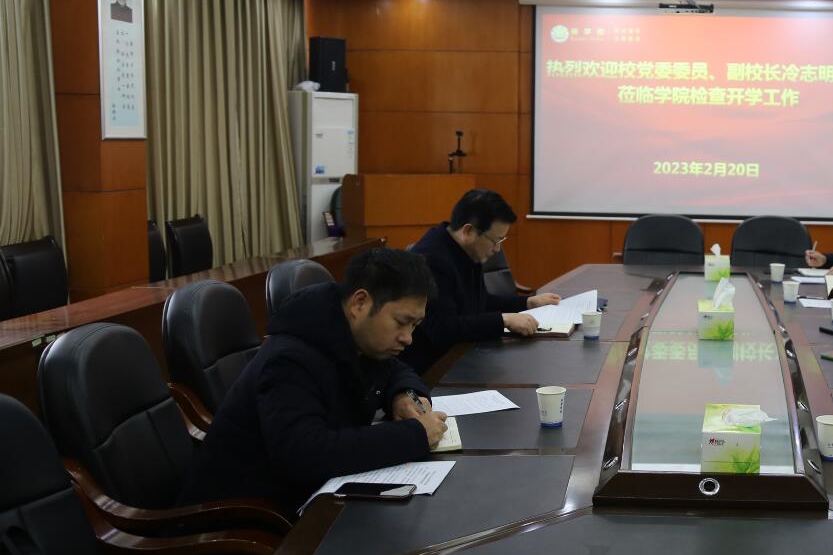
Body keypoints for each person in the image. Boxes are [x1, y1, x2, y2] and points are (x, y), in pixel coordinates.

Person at [181, 247, 449, 512]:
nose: (408, 338)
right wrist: (415, 435)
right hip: (239, 518)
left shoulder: (357, 337)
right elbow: (305, 454)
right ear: (359, 303)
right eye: (401, 322)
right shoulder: (289, 359)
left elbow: (395, 370)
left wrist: (404, 394)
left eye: (415, 325)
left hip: (307, 497)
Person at [402, 189, 561, 374]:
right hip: (435, 368)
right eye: (495, 240)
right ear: (468, 231)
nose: (497, 249)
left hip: (464, 354)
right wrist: (502, 320)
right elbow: (443, 328)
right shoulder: (432, 259)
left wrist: (527, 303)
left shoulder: (465, 249)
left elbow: (480, 301)